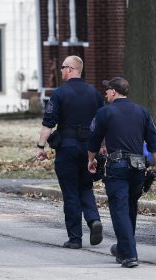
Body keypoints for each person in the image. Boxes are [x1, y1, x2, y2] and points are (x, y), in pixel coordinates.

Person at [87, 77, 156, 268]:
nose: (105, 94)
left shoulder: (105, 113)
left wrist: (91, 159)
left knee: (119, 210)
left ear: (113, 92)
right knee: (130, 209)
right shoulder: (142, 112)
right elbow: (154, 142)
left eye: (107, 91)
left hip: (118, 167)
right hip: (138, 168)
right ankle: (122, 248)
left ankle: (129, 254)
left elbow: (94, 140)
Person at [36, 55, 104, 249]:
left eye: (63, 67)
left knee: (71, 192)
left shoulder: (59, 94)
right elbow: (102, 122)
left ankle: (75, 238)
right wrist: (102, 146)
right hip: (90, 149)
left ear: (71, 70)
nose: (61, 70)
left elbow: (48, 123)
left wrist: (41, 147)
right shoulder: (95, 93)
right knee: (85, 186)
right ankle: (93, 220)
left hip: (67, 148)